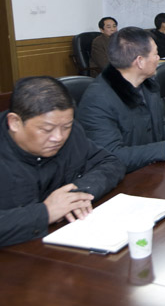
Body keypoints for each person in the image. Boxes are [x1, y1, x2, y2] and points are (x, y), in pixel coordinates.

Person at [0, 76, 124, 247]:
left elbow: (110, 163)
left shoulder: (70, 133)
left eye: (66, 127)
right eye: (47, 129)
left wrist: (76, 194)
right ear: (14, 122)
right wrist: (45, 212)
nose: (58, 137)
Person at [78, 27, 165, 172]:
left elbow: (160, 124)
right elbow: (111, 156)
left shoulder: (148, 85)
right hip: (122, 178)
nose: (158, 58)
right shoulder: (98, 100)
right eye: (155, 54)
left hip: (152, 169)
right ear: (140, 61)